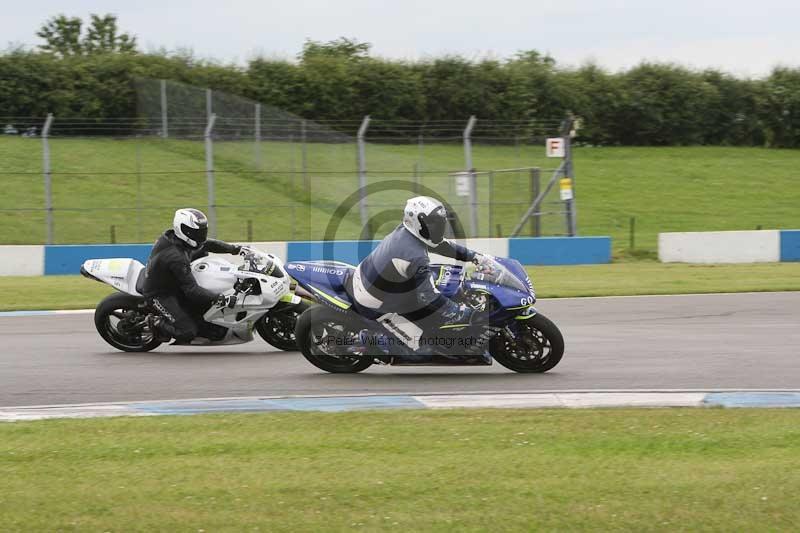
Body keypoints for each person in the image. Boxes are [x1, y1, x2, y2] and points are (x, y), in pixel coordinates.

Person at [347, 196, 490, 358]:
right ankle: (370, 340)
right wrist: (458, 312)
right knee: (421, 350)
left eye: (440, 223)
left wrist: (476, 257)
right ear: (417, 222)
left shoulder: (408, 231)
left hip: (382, 283)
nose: (438, 228)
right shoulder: (415, 255)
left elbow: (443, 246)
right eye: (433, 223)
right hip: (376, 303)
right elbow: (429, 297)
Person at [141, 208, 241, 343]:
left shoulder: (177, 238)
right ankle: (156, 322)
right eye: (196, 232)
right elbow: (192, 291)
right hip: (160, 293)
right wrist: (221, 298)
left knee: (203, 254)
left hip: (171, 279)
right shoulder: (176, 257)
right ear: (183, 229)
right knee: (187, 331)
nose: (200, 236)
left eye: (202, 232)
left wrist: (235, 249)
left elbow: (208, 244)